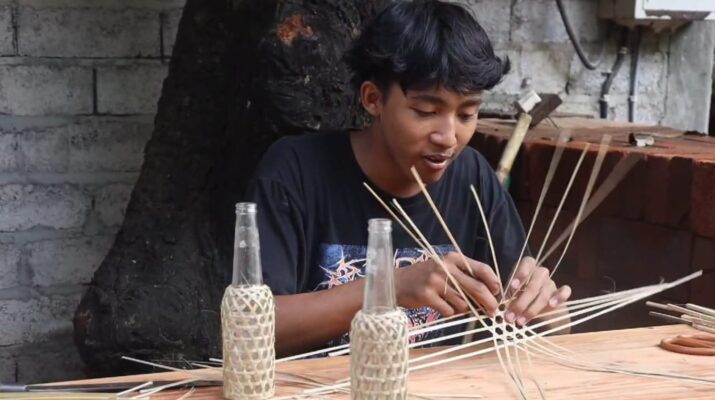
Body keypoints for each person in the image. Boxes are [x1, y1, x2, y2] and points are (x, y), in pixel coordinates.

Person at [245, 0, 571, 357]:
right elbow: (252, 328)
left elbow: (545, 326)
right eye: (426, 111)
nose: (448, 137)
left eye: (467, 114)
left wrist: (545, 309)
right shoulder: (296, 171)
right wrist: (390, 287)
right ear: (373, 99)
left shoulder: (473, 177)